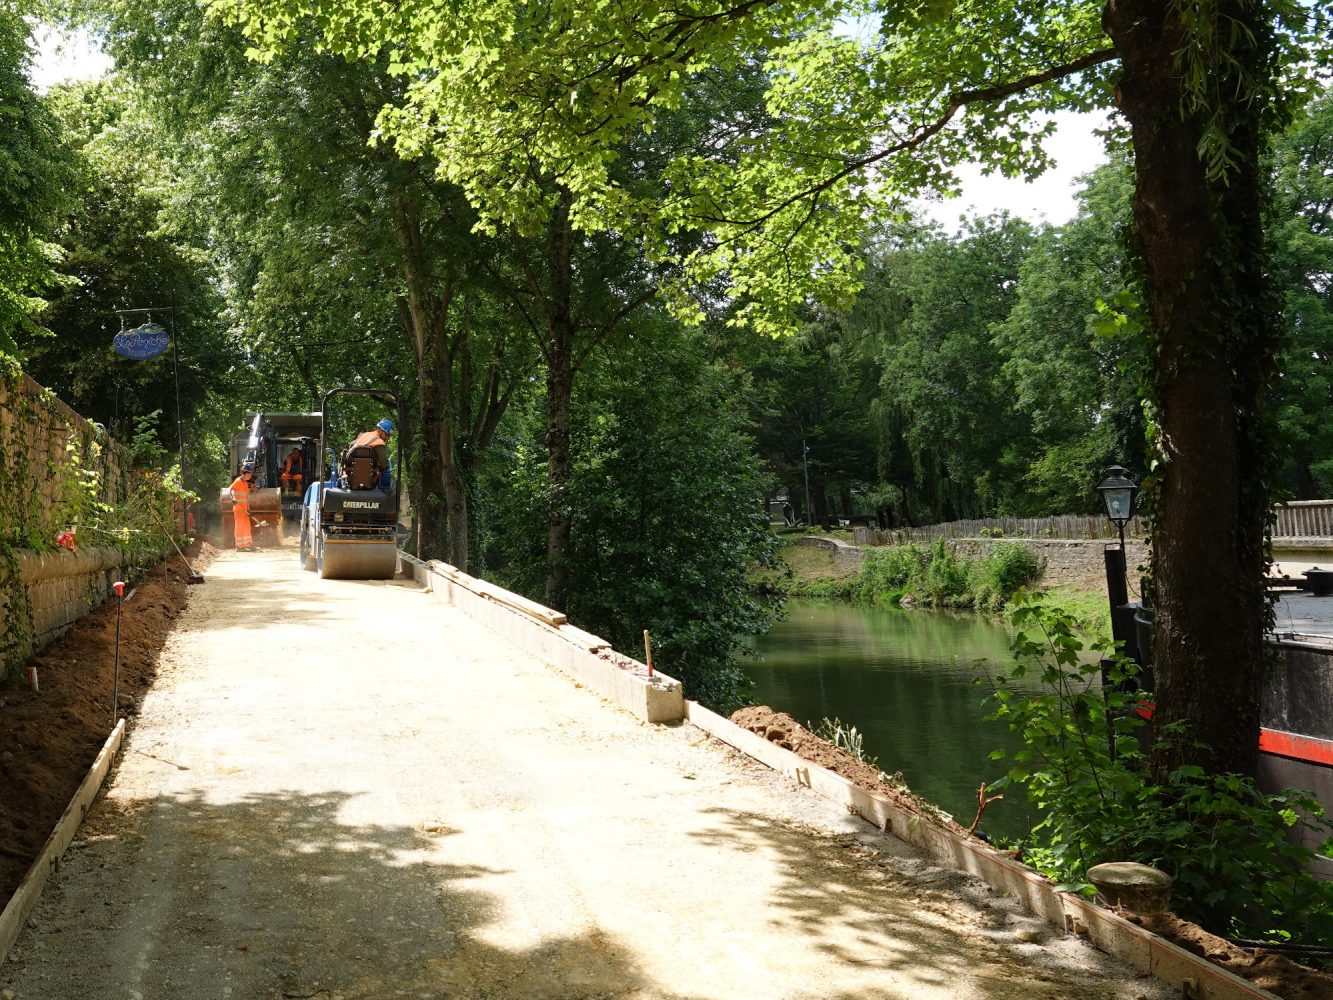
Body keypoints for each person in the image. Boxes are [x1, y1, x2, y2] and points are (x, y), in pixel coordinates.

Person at [348, 419, 393, 486]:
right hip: (369, 472)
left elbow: (351, 445)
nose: (387, 438)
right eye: (386, 435)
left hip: (352, 466)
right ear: (380, 430)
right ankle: (381, 486)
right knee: (387, 466)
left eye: (388, 436)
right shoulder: (379, 442)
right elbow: (384, 464)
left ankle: (347, 477)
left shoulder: (364, 435)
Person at [229, 463, 256, 551]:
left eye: (250, 473)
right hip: (238, 509)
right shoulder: (238, 481)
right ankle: (239, 546)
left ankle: (248, 544)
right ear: (244, 473)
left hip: (245, 510)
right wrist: (233, 498)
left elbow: (246, 498)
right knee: (240, 527)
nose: (250, 475)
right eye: (249, 473)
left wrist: (249, 510)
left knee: (247, 527)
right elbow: (232, 490)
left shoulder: (245, 483)